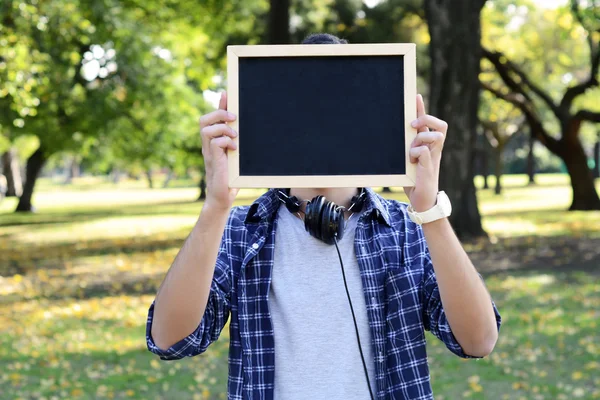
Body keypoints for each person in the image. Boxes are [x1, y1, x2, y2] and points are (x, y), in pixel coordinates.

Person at [146, 33, 501, 400]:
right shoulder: (239, 230)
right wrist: (214, 206)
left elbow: (478, 341)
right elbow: (170, 340)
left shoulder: (408, 230)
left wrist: (430, 212)